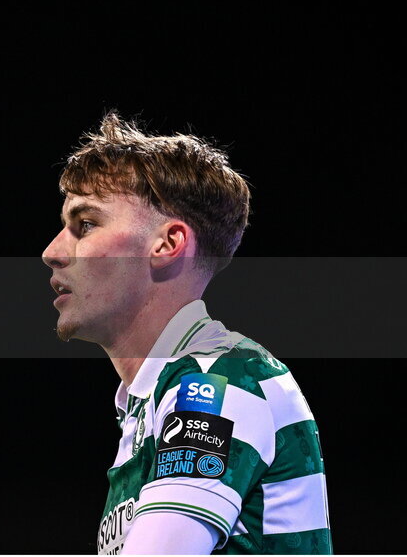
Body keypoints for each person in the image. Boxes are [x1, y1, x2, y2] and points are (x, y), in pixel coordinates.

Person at [41, 112, 331, 554]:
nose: (52, 252)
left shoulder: (218, 381)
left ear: (167, 244)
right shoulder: (152, 401)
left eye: (86, 224)